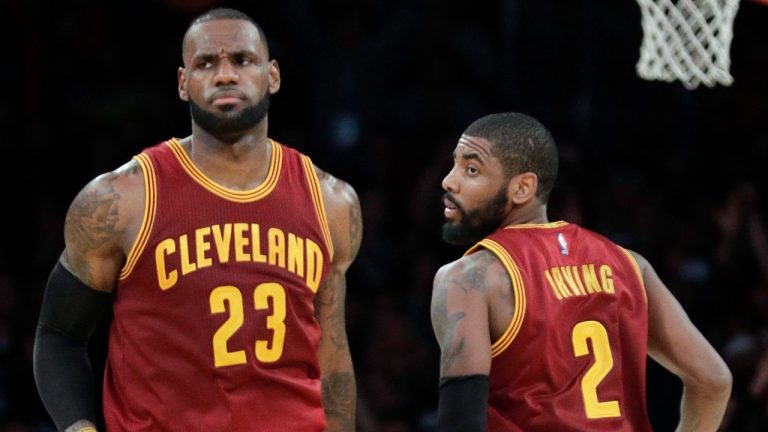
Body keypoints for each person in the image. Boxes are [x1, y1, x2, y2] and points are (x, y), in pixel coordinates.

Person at [33, 7, 360, 432]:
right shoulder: (122, 199)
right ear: (183, 84)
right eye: (206, 63)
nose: (225, 75)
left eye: (242, 60)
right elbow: (58, 335)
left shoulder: (331, 201)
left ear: (272, 76)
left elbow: (332, 361)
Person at [431, 112, 732, 431]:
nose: (449, 180)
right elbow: (713, 381)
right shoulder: (630, 265)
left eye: (471, 169)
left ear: (522, 188)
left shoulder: (470, 278)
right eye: (454, 165)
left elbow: (461, 421)